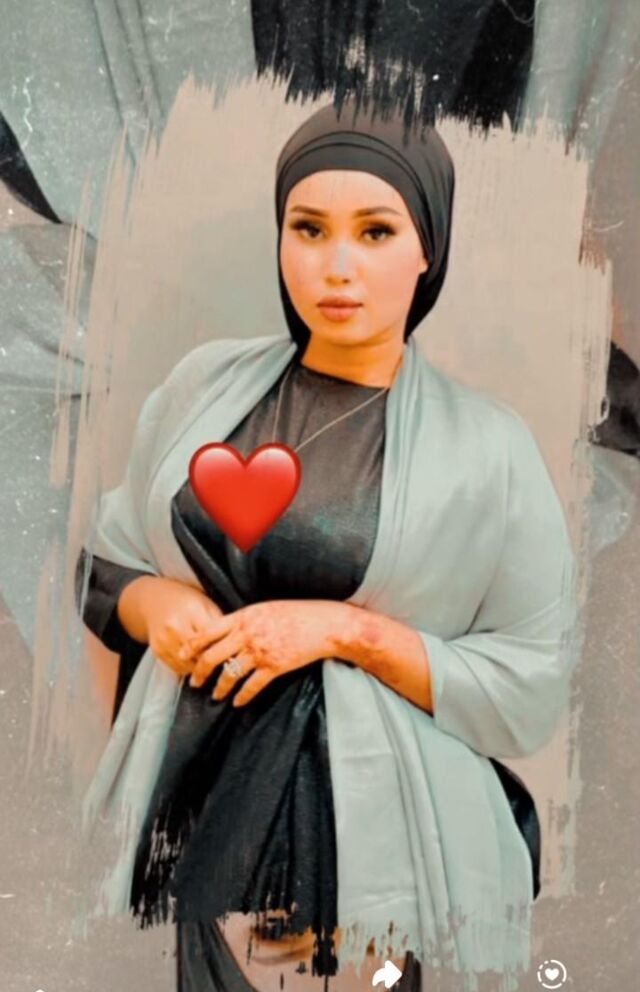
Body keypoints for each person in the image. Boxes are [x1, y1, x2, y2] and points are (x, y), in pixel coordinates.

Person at [76, 100, 576, 992]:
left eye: (376, 231)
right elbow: (102, 568)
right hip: (199, 812)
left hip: (360, 848)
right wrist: (157, 605)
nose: (336, 266)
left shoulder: (489, 449)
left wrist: (344, 632)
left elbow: (531, 680)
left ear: (428, 249)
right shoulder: (204, 387)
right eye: (308, 228)